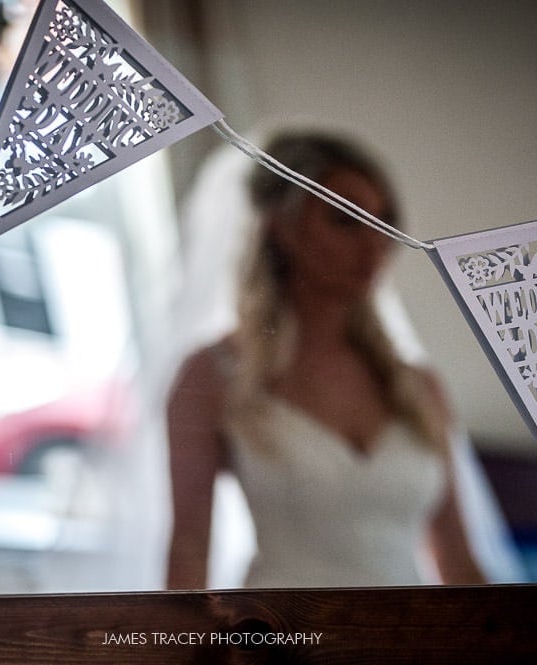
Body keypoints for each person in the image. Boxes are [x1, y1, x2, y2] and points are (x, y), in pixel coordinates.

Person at [165, 130, 488, 589]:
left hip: (412, 642)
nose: (373, 242)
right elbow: (188, 553)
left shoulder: (416, 386)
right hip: (281, 643)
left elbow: (459, 563)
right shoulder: (213, 373)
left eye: (382, 220)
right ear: (282, 226)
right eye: (345, 218)